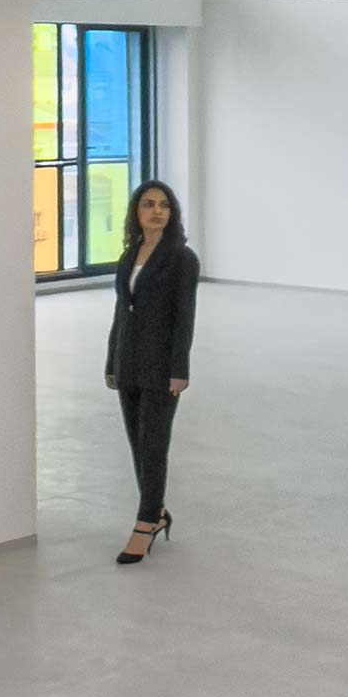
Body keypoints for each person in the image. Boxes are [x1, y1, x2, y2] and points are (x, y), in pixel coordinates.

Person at [102, 179, 196, 565]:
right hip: (128, 363)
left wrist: (179, 370)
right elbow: (121, 313)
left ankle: (144, 523)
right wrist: (112, 361)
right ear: (137, 213)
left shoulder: (182, 259)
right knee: (137, 444)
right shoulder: (129, 255)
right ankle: (156, 512)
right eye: (148, 204)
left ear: (171, 214)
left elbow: (184, 319)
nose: (156, 211)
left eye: (164, 205)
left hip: (161, 367)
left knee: (154, 444)